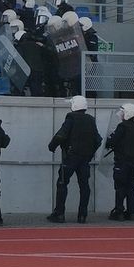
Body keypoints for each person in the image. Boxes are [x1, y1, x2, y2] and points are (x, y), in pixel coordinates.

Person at [47, 94, 102, 223]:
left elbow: (61, 135)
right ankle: (82, 215)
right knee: (84, 186)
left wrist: (52, 146)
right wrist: (90, 153)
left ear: (74, 106)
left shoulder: (71, 119)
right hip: (84, 159)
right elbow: (98, 140)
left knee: (62, 183)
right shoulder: (90, 120)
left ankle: (59, 214)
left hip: (70, 157)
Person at [105, 103, 134, 220]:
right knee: (131, 187)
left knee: (120, 187)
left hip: (122, 161)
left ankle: (119, 211)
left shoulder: (122, 126)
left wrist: (109, 140)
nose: (121, 115)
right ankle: (131, 212)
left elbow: (112, 141)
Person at [13, 29, 47, 97]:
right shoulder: (37, 45)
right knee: (36, 90)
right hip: (38, 70)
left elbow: (18, 58)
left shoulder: (20, 46)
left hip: (25, 70)